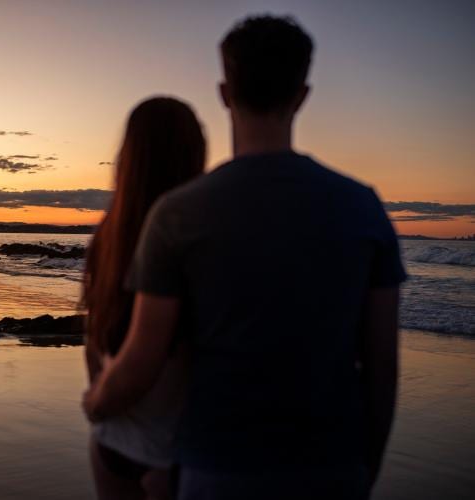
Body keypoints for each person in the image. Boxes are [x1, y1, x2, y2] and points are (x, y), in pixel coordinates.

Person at [83, 15, 406, 500]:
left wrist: (96, 402)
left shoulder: (177, 215)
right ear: (301, 95)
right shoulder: (363, 205)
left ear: (224, 92)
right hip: (335, 466)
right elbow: (381, 364)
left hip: (216, 468)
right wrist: (366, 466)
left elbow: (144, 356)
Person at [83, 97, 205, 499]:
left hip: (115, 438)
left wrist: (98, 401)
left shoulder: (108, 235)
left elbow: (94, 338)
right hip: (179, 452)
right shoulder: (202, 237)